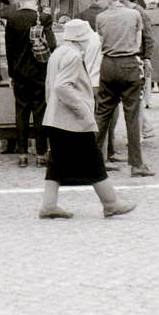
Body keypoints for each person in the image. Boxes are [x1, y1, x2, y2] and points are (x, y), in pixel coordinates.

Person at [37, 19, 136, 220]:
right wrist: (83, 111)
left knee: (56, 163)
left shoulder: (58, 53)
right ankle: (111, 203)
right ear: (81, 38)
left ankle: (49, 206)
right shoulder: (73, 56)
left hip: (55, 118)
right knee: (94, 159)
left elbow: (51, 86)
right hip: (71, 121)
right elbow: (62, 87)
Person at [94, 0, 154, 177]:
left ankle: (92, 161)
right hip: (129, 64)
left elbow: (100, 41)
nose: (98, 2)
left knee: (102, 113)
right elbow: (138, 41)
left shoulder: (100, 18)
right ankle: (137, 164)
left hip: (109, 65)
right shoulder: (134, 15)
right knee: (132, 115)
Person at [4, 0, 55, 168]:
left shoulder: (12, 18)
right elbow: (52, 45)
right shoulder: (44, 17)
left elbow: (9, 50)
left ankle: (22, 154)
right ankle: (41, 153)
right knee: (41, 112)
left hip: (19, 73)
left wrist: (11, 74)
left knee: (21, 112)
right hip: (40, 72)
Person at [77, 0, 119, 162]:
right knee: (108, 114)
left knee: (96, 115)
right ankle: (106, 151)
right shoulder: (110, 16)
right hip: (107, 72)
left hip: (92, 75)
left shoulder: (83, 15)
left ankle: (98, 152)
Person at [119, 0, 155, 141]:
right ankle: (146, 128)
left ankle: (140, 132)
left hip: (137, 58)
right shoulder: (120, 11)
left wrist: (146, 58)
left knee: (136, 98)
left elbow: (148, 37)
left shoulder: (139, 12)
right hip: (126, 57)